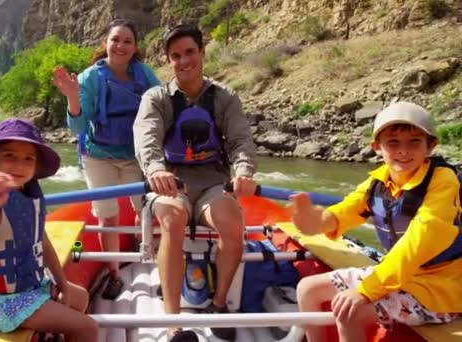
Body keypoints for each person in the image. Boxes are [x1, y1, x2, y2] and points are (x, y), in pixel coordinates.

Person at [290, 102, 462, 342]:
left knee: (351, 311)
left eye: (414, 142)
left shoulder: (443, 181)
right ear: (377, 147)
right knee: (307, 289)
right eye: (393, 142)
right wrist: (313, 222)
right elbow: (341, 214)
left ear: (430, 146)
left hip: (440, 290)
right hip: (400, 276)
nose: (403, 150)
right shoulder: (378, 182)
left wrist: (366, 290)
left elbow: (419, 242)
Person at [133, 24, 257, 342]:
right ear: (168, 61)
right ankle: (174, 322)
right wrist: (155, 169)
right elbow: (147, 139)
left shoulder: (225, 97)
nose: (184, 61)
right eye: (175, 56)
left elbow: (241, 140)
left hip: (214, 181)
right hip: (170, 181)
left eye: (190, 52)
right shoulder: (156, 98)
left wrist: (243, 171)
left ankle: (218, 306)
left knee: (232, 223)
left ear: (202, 53)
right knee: (173, 218)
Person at [0, 118, 98, 341]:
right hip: (2, 302)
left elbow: (40, 239)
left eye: (28, 158)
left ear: (37, 166)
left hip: (31, 288)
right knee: (88, 328)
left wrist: (61, 281)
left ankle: (58, 334)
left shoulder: (29, 194)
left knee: (80, 297)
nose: (19, 165)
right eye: (9, 156)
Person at [52, 19, 160, 300]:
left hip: (136, 155)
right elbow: (77, 127)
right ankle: (114, 275)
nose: (121, 46)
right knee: (108, 216)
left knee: (147, 209)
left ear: (135, 47)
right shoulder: (90, 78)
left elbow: (162, 109)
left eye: (127, 41)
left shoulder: (144, 75)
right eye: (116, 40)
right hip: (99, 156)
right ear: (106, 43)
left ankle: (157, 265)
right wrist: (73, 97)